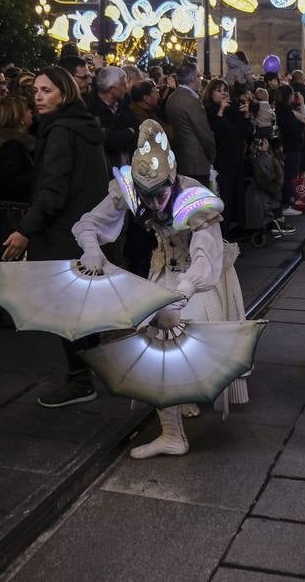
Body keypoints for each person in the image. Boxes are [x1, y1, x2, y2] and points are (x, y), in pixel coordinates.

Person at [72, 119, 249, 458]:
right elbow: (90, 222)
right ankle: (172, 431)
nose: (152, 205)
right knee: (156, 345)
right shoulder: (130, 188)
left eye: (160, 195)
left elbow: (204, 258)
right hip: (164, 269)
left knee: (182, 344)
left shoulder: (195, 197)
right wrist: (91, 247)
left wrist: (179, 297)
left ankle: (177, 419)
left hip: (202, 279)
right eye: (144, 196)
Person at [1, 66, 109, 407]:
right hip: (86, 231)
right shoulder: (83, 126)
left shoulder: (62, 130)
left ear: (64, 94)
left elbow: (53, 190)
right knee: (84, 308)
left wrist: (24, 230)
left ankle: (79, 380)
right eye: (36, 90)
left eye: (46, 91)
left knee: (68, 310)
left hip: (64, 233)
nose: (38, 96)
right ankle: (92, 371)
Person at [0, 95, 34, 263]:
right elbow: (12, 182)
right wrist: (39, 177)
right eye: (28, 110)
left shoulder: (4, 143)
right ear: (19, 117)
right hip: (12, 218)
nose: (32, 113)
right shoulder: (12, 146)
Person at [203, 79, 252, 235]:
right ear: (211, 94)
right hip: (221, 160)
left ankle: (235, 228)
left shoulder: (233, 110)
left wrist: (245, 116)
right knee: (224, 195)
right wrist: (221, 111)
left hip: (236, 158)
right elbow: (215, 133)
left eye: (225, 89)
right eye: (218, 90)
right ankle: (221, 232)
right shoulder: (209, 110)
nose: (223, 93)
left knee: (235, 194)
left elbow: (243, 133)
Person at [165, 63, 215, 185]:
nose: (201, 80)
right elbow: (204, 133)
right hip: (196, 163)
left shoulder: (172, 98)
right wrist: (212, 155)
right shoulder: (192, 100)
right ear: (193, 79)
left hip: (179, 160)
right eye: (200, 76)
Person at [88, 66, 138, 170]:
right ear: (111, 88)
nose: (126, 88)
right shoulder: (90, 108)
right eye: (123, 85)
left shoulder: (124, 103)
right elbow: (104, 141)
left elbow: (136, 129)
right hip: (106, 169)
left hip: (128, 166)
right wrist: (127, 133)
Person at [274, 84, 305, 216]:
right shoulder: (286, 112)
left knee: (289, 176)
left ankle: (288, 202)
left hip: (288, 147)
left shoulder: (282, 110)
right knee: (289, 177)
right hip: (290, 147)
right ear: (289, 96)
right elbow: (296, 128)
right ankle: (285, 205)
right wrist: (301, 126)